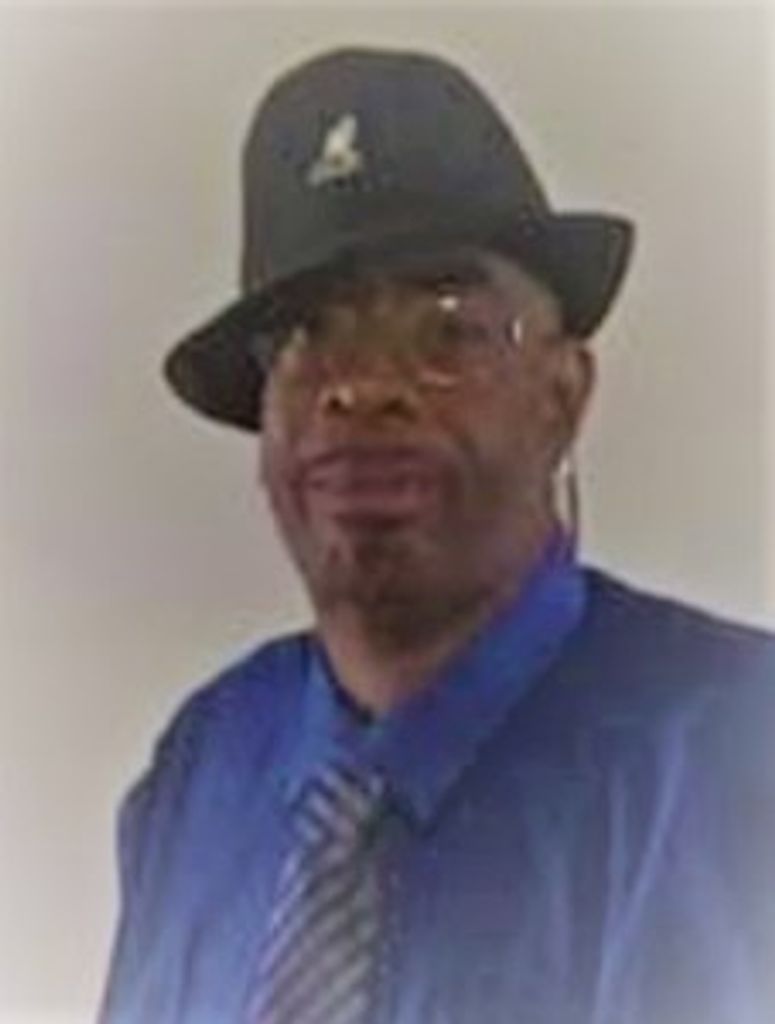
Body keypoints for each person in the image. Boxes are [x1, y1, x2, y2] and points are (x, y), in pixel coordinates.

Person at [99, 47, 775, 1024]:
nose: (361, 385)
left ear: (562, 395)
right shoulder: (202, 765)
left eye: (448, 327)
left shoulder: (735, 755)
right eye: (308, 335)